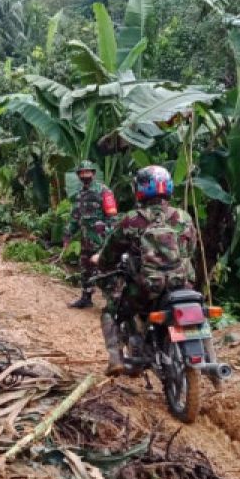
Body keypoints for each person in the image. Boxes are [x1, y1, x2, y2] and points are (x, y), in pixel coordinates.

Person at [92, 165, 196, 376]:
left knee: (112, 309)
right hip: (181, 284)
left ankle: (115, 359)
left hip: (146, 288)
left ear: (139, 189)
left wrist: (101, 262)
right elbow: (190, 249)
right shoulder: (183, 217)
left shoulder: (132, 219)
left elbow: (111, 252)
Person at [63, 161, 118, 308]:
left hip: (101, 240)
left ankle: (112, 303)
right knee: (85, 269)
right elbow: (75, 217)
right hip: (86, 239)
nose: (84, 175)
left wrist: (108, 236)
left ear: (93, 174)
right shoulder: (80, 194)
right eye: (82, 173)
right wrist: (68, 234)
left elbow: (112, 217)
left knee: (106, 270)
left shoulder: (104, 191)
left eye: (87, 172)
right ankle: (86, 298)